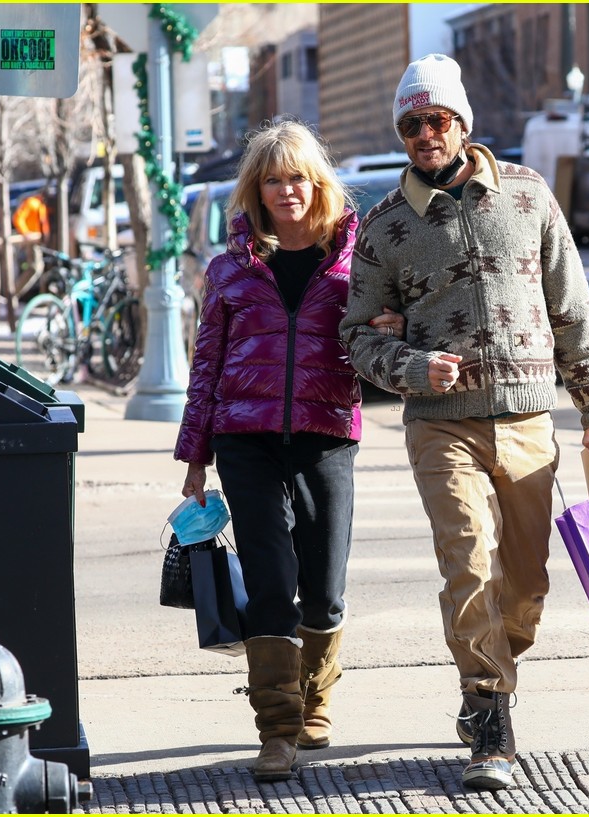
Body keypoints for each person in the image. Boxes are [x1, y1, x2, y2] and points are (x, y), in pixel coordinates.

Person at [340, 54, 589, 792]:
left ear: (463, 123)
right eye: (410, 125)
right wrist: (410, 366)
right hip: (442, 424)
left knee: (526, 584)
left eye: (435, 120)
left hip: (532, 416)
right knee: (466, 561)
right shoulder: (384, 228)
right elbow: (356, 336)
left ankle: (497, 663)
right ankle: (488, 716)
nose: (423, 135)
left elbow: (573, 312)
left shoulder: (530, 198)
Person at [173, 120, 403, 782]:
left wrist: (395, 331)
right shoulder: (229, 271)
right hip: (243, 437)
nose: (285, 190)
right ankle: (276, 728)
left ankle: (314, 702)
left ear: (318, 183)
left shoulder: (357, 266)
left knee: (324, 588)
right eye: (272, 179)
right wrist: (195, 453)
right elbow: (205, 365)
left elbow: (385, 338)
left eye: (296, 177)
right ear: (256, 189)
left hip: (326, 431)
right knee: (271, 582)